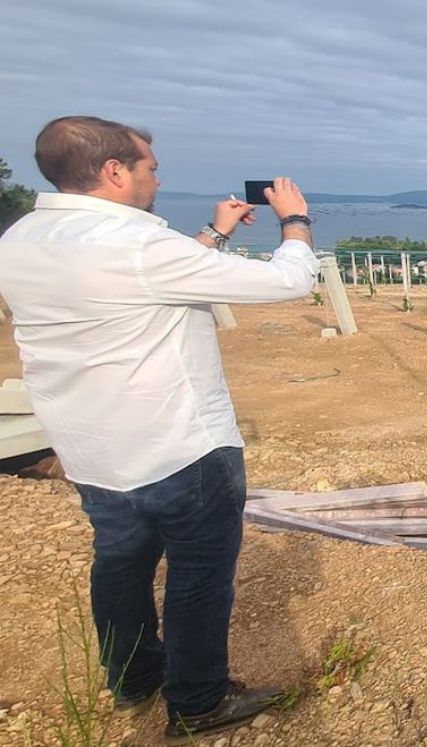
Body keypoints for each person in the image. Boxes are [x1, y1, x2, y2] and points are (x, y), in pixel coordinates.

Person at [0, 116, 319, 740]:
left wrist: (214, 234)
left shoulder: (21, 239)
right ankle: (198, 703)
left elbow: (138, 286)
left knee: (119, 565)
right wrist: (294, 220)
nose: (157, 175)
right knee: (199, 578)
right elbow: (291, 279)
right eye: (150, 166)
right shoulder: (141, 247)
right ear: (114, 171)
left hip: (92, 448)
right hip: (181, 445)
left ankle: (132, 680)